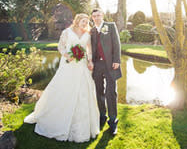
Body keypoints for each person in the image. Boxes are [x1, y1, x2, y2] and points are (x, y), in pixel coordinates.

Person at [24, 13, 100, 142]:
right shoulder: (67, 32)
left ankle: (82, 126)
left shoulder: (88, 34)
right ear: (77, 21)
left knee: (83, 91)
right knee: (64, 89)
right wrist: (67, 55)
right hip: (68, 65)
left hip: (81, 66)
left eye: (87, 21)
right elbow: (60, 46)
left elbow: (89, 50)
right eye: (83, 20)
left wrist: (90, 61)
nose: (85, 23)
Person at [90, 8, 121, 135]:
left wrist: (117, 60)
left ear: (102, 15)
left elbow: (117, 44)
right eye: (94, 16)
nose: (97, 17)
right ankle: (102, 116)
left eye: (99, 15)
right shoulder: (91, 31)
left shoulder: (110, 26)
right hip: (97, 65)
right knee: (98, 91)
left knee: (111, 92)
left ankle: (113, 120)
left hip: (110, 64)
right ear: (92, 18)